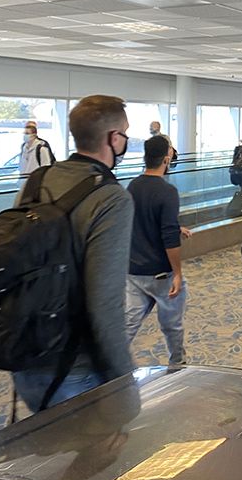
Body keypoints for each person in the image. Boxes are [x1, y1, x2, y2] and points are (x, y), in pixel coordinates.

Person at [12, 95, 135, 413]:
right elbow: (104, 303)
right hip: (73, 366)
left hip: (23, 352)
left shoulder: (38, 180)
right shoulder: (110, 198)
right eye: (125, 133)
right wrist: (125, 381)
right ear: (113, 138)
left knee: (49, 457)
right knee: (98, 459)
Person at [125, 136, 192, 371]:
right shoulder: (167, 191)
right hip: (160, 274)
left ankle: (112, 369)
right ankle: (178, 366)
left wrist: (176, 227)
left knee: (127, 325)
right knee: (172, 326)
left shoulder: (133, 185)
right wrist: (177, 273)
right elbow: (168, 238)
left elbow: (141, 221)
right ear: (166, 158)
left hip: (134, 272)